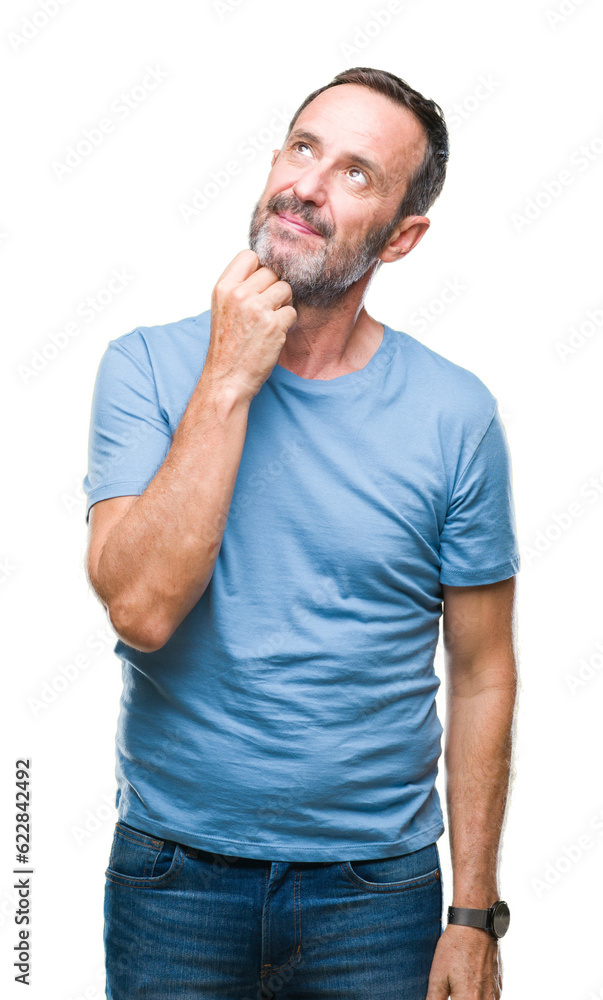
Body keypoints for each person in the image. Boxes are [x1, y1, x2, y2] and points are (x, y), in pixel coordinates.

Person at [83, 66, 520, 1000]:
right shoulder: (147, 369)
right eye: (302, 148)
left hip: (376, 894)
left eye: (356, 173)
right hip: (172, 878)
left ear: (401, 237)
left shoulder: (456, 415)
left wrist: (473, 915)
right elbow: (141, 611)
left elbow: (482, 670)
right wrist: (228, 378)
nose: (308, 186)